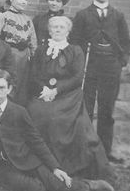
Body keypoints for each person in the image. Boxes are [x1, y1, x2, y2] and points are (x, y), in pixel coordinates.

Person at [0, 68, 114, 191]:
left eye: (1, 88)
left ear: (9, 89)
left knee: (58, 184)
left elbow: (36, 141)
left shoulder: (19, 112)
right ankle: (42, 184)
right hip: (3, 167)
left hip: (27, 160)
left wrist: (54, 167)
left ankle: (89, 186)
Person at [27, 16, 112, 179]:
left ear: (68, 31)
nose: (58, 30)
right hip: (43, 92)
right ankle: (40, 163)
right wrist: (44, 88)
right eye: (54, 27)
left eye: (61, 27)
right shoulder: (41, 50)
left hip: (68, 95)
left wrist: (56, 90)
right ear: (50, 30)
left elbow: (77, 78)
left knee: (56, 118)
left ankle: (64, 164)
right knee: (35, 112)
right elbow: (34, 74)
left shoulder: (75, 50)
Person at [71, 0, 130, 163]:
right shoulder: (82, 15)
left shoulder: (118, 15)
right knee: (86, 108)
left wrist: (121, 61)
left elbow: (126, 42)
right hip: (89, 67)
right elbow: (75, 41)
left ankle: (104, 150)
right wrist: (79, 64)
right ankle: (85, 149)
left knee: (107, 109)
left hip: (110, 68)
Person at [0, 0, 37, 106]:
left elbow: (33, 42)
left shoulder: (28, 20)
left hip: (24, 59)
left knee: (22, 87)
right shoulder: (3, 17)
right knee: (10, 84)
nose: (23, 2)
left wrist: (33, 56)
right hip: (9, 56)